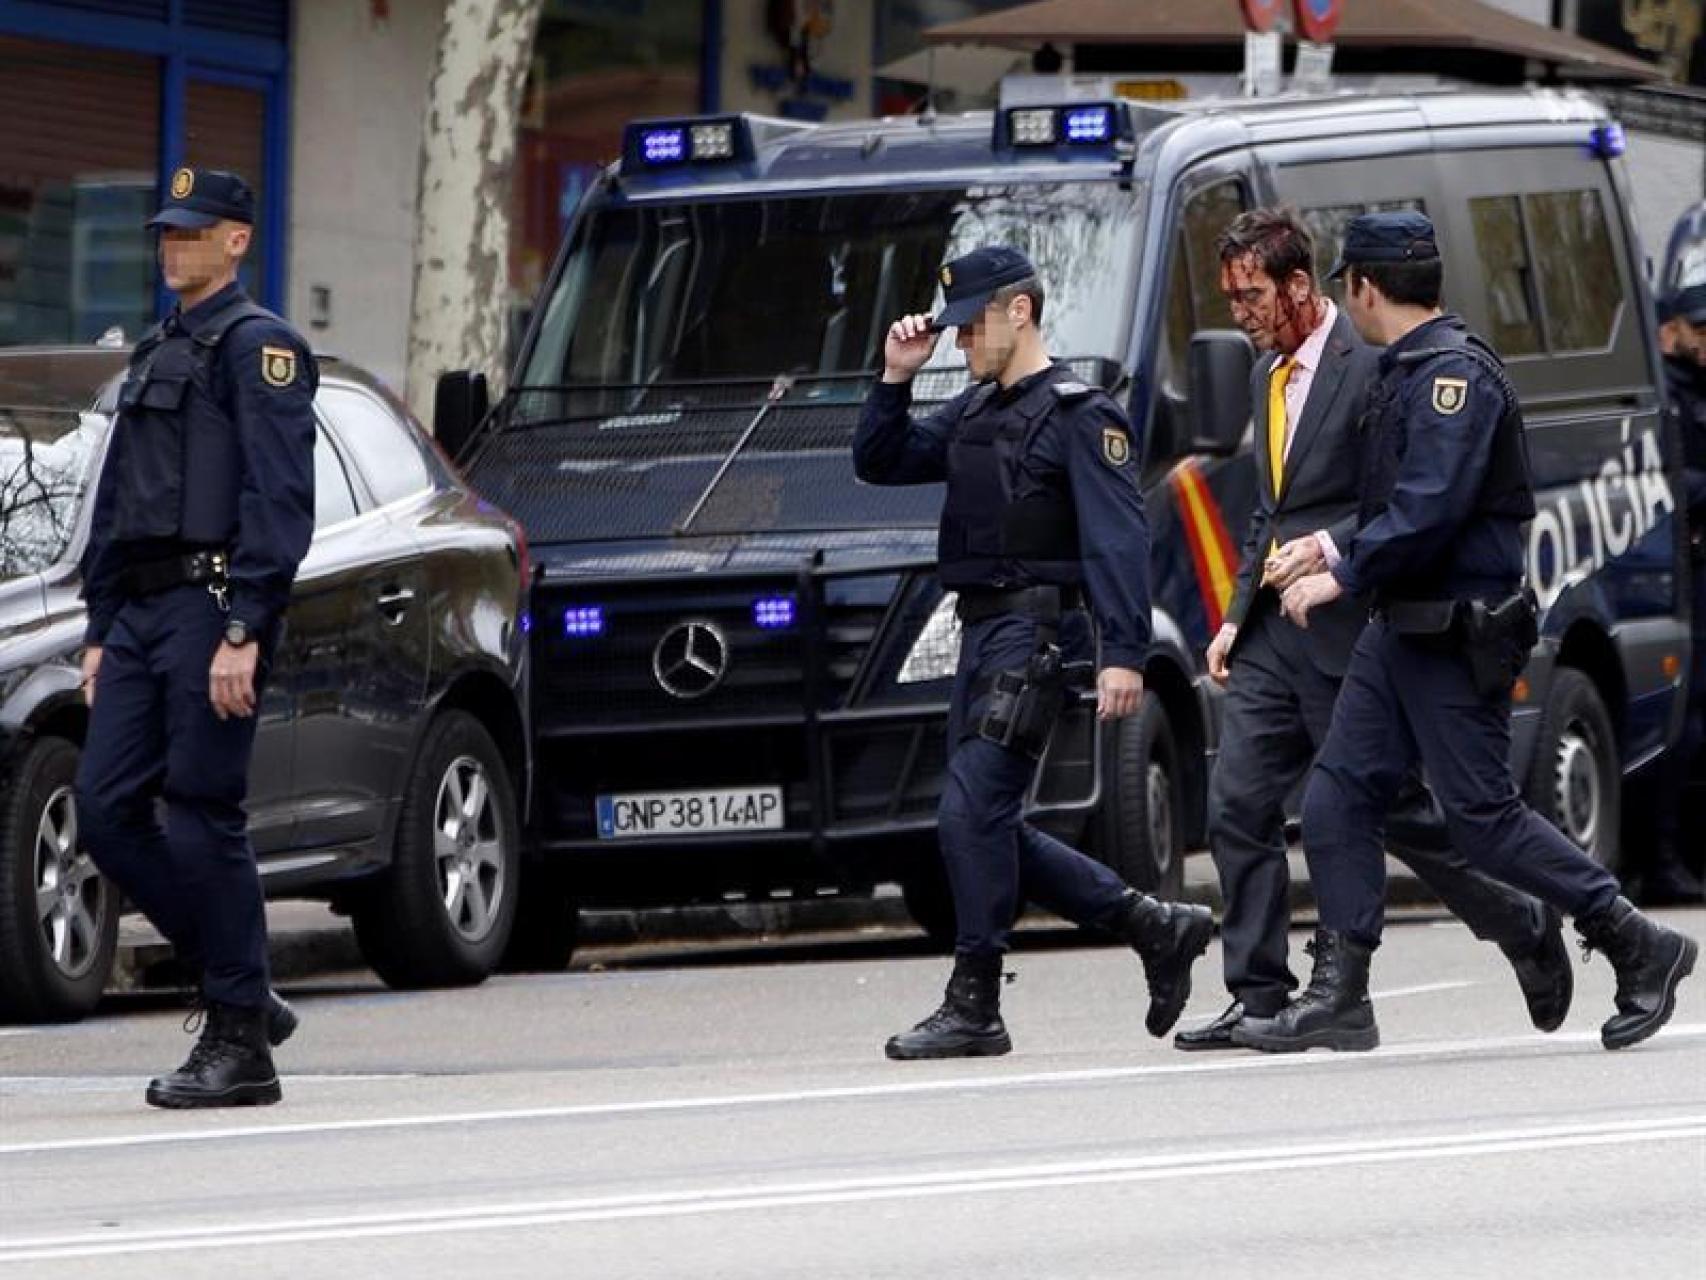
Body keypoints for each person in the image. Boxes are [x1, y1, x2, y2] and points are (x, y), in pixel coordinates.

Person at [1242, 211, 1697, 1054]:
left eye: (1349, 283)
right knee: (1337, 795)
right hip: (1399, 624)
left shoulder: (1452, 377)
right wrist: (1336, 549)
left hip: (1451, 630)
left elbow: (1430, 509)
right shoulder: (1408, 369)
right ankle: (1342, 991)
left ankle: (1638, 942)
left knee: (1482, 816)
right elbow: (1394, 505)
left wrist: (1339, 572)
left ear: (1366, 287)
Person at [1178, 208, 1569, 1052]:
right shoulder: (1262, 375)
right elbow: (1268, 511)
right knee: (1238, 801)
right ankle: (1259, 994)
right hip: (1273, 630)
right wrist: (1234, 615)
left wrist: (1333, 564)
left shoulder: (1378, 368)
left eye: (1251, 294)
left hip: (1353, 620)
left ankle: (1523, 926)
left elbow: (1405, 504)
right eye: (1229, 296)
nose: (1238, 312)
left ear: (1298, 285)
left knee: (1400, 814)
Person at [855, 245, 1213, 1060]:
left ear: (1019, 310)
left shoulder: (1082, 414)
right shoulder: (975, 411)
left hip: (1038, 637)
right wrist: (894, 376)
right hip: (980, 633)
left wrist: (1124, 650)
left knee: (967, 815)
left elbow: (1121, 540)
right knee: (987, 825)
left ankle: (976, 1001)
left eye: (969, 324)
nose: (958, 343)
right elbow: (879, 461)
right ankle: (1154, 926)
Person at [75, 168, 317, 1107]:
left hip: (213, 609)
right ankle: (243, 982)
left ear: (236, 242)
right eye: (165, 234)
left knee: (204, 811)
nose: (172, 246)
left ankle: (239, 1044)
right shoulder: (156, 351)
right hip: (136, 615)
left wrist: (245, 627)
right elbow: (115, 504)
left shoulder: (259, 350)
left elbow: (277, 501)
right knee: (105, 812)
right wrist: (100, 626)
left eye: (192, 232)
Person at [1647, 285, 1706, 903]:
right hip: (1679, 570)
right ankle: (1663, 860)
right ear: (1670, 331)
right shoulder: (1666, 391)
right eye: (1700, 330)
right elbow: (1669, 477)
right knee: (1681, 719)